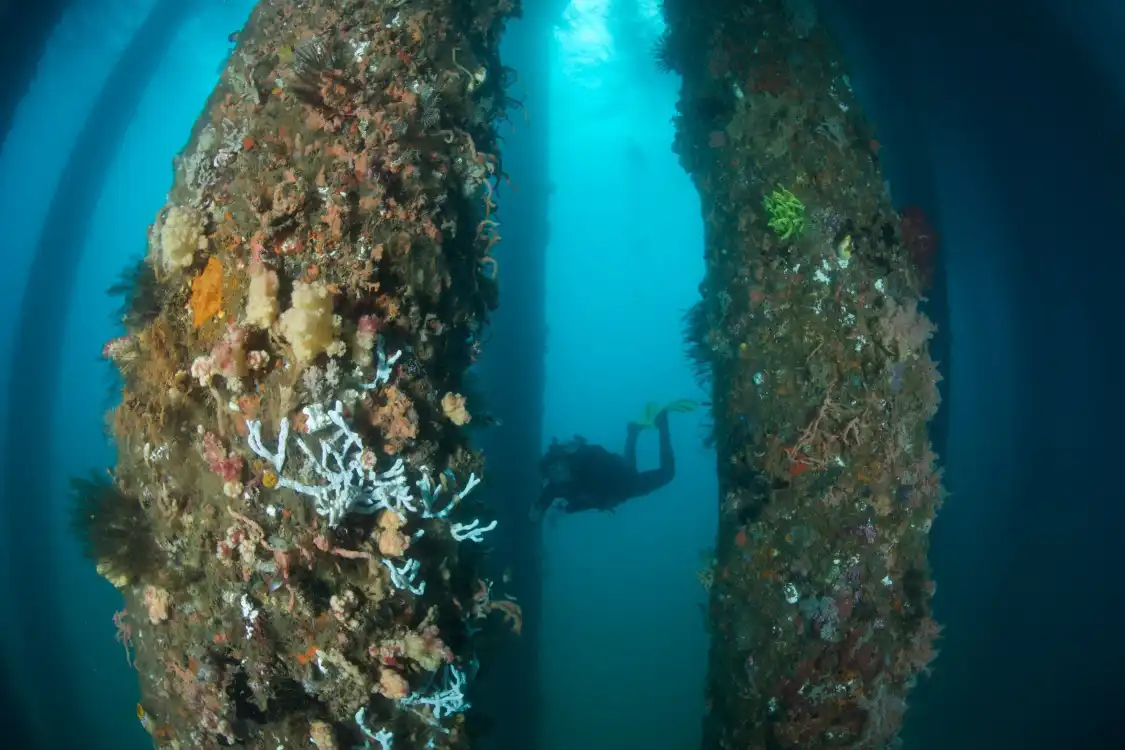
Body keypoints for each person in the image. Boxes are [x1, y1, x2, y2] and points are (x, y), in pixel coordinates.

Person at [532, 401, 695, 520]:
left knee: (668, 473)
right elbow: (550, 494)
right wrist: (541, 508)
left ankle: (662, 422)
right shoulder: (559, 485)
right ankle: (633, 432)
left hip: (626, 484)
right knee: (629, 465)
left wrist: (572, 507)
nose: (555, 475)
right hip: (621, 479)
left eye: (555, 468)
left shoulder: (583, 462)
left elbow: (593, 495)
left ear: (563, 461)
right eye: (551, 473)